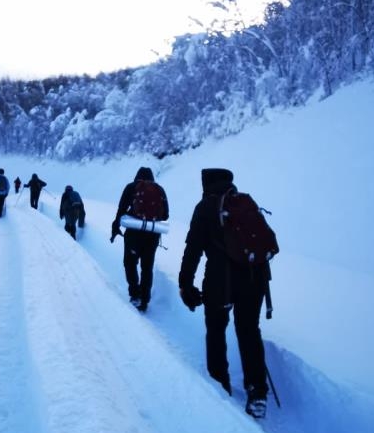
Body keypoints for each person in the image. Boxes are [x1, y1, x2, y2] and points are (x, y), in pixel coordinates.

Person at [178, 168, 270, 418]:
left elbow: (193, 250)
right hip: (255, 279)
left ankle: (220, 386)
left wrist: (185, 284)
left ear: (205, 184)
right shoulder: (246, 203)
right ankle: (257, 391)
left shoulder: (205, 207)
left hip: (222, 282)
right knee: (249, 330)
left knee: (216, 329)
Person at [111, 167, 169, 312]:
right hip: (152, 234)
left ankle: (135, 294)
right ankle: (145, 299)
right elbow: (166, 215)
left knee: (130, 262)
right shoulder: (160, 190)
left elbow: (121, 209)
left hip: (134, 233)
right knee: (147, 266)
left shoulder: (131, 187)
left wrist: (115, 227)